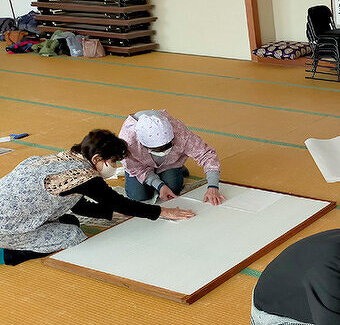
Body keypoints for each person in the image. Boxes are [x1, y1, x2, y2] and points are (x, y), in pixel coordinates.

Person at [0, 129, 194, 266]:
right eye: (112, 161)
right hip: (6, 226)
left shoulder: (65, 158)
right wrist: (163, 212)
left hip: (10, 209)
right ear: (97, 159)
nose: (114, 165)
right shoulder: (84, 177)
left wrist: (110, 215)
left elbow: (76, 204)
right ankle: (7, 254)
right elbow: (119, 202)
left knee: (70, 220)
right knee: (72, 235)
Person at [119, 110, 225, 205]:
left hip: (169, 163)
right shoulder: (128, 142)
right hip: (140, 166)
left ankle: (176, 167)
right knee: (139, 197)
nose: (164, 152)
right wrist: (160, 186)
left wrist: (213, 186)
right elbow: (137, 169)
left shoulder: (180, 133)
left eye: (167, 146)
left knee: (173, 189)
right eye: (157, 150)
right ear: (144, 145)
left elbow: (206, 154)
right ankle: (158, 174)